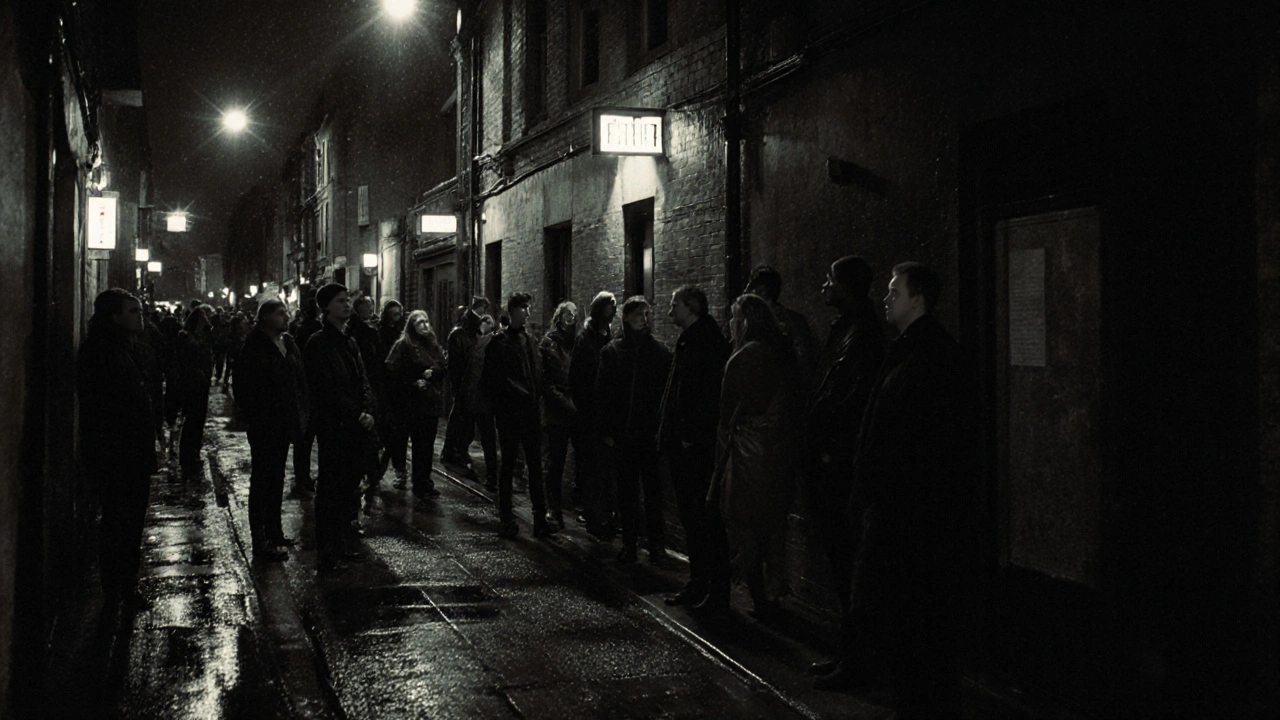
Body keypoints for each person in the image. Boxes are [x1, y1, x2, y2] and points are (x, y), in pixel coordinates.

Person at [817, 262, 976, 718]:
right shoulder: (905, 349)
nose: (886, 298)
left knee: (918, 628)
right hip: (893, 511)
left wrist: (890, 496)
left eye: (895, 291)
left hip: (912, 518)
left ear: (918, 298)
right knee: (905, 628)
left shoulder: (933, 356)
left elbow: (932, 443)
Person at [803, 256, 887, 678]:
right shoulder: (849, 331)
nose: (824, 286)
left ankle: (859, 659)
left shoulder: (863, 336)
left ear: (846, 287)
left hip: (840, 466)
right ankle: (852, 653)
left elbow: (846, 401)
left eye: (830, 280)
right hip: (832, 463)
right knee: (843, 564)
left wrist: (826, 450)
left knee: (849, 563)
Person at [712, 293, 799, 619]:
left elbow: (726, 411)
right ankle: (775, 592)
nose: (731, 324)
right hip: (779, 451)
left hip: (749, 453)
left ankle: (760, 599)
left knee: (745, 528)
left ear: (744, 321)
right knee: (772, 526)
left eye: (734, 318)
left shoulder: (744, 357)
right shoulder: (783, 352)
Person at [77, 289, 158, 611]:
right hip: (117, 452)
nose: (141, 316)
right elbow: (108, 405)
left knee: (129, 520)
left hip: (129, 451)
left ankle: (125, 584)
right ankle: (118, 589)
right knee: (119, 521)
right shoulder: (102, 352)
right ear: (114, 316)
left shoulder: (122, 348)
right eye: (133, 311)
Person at [657, 286, 733, 612]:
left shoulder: (704, 342)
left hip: (695, 449)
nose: (669, 311)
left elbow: (707, 395)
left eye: (675, 305)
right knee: (693, 519)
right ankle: (700, 583)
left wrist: (690, 435)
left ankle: (714, 592)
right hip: (685, 444)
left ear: (692, 307)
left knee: (704, 520)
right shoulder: (691, 339)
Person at [303, 283, 377, 572]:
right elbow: (326, 389)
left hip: (355, 425)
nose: (347, 305)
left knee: (349, 487)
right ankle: (328, 549)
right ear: (326, 307)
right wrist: (357, 413)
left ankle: (344, 543)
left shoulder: (350, 341)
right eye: (340, 301)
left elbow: (362, 380)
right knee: (331, 487)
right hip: (335, 425)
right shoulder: (318, 343)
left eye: (348, 300)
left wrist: (369, 409)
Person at [596, 296, 673, 564]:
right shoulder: (613, 352)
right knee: (627, 493)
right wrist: (606, 429)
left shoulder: (661, 353)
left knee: (653, 493)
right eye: (639, 314)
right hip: (624, 434)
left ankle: (656, 546)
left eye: (647, 314)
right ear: (626, 317)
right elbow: (602, 395)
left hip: (649, 434)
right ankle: (629, 544)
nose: (645, 318)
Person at [234, 299, 308, 562]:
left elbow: (298, 379)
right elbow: (243, 386)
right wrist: (257, 416)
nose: (285, 316)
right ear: (264, 318)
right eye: (279, 313)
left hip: (284, 422)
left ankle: (274, 532)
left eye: (285, 312)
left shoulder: (287, 343)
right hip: (266, 424)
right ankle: (260, 539)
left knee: (276, 479)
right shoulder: (255, 346)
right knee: (263, 481)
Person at [481, 293, 554, 539]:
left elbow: (537, 375)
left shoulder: (530, 341)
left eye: (528, 307)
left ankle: (539, 518)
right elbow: (491, 381)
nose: (528, 312)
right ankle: (507, 517)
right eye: (523, 308)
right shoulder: (499, 342)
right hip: (510, 413)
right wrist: (502, 406)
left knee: (534, 465)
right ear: (511, 311)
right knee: (509, 465)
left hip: (530, 413)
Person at [569, 292, 617, 539]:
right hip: (588, 417)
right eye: (609, 309)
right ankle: (593, 517)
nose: (613, 314)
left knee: (604, 470)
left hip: (603, 415)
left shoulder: (609, 337)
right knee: (591, 469)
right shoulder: (585, 340)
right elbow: (578, 380)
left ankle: (603, 516)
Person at [384, 310, 447, 500]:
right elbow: (392, 373)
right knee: (403, 441)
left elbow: (443, 367)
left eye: (426, 322)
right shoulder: (403, 345)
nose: (424, 326)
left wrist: (433, 373)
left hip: (429, 403)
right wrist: (413, 383)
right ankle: (400, 473)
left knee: (426, 445)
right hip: (408, 404)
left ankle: (423, 481)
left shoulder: (432, 345)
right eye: (419, 323)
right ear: (412, 325)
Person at [744, 265, 818, 392]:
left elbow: (805, 363)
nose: (745, 291)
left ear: (762, 291)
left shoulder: (785, 322)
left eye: (750, 286)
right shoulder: (793, 320)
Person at [539, 300, 579, 528]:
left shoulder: (578, 342)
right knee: (555, 462)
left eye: (574, 313)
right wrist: (565, 402)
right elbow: (546, 382)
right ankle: (553, 509)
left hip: (576, 408)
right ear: (559, 315)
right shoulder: (548, 344)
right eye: (567, 313)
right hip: (556, 412)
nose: (571, 317)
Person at [443, 296, 491, 475]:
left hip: (475, 384)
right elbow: (457, 365)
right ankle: (454, 451)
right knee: (461, 419)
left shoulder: (477, 333)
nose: (483, 314)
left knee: (467, 420)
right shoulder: (459, 335)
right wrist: (458, 388)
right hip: (464, 384)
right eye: (480, 310)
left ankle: (458, 450)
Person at [348, 294, 387, 501]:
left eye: (371, 306)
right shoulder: (357, 332)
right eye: (365, 306)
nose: (369, 309)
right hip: (363, 389)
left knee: (373, 434)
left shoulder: (373, 330)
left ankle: (372, 472)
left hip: (373, 386)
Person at [290, 290, 323, 494]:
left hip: (306, 389)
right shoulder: (315, 332)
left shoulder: (300, 329)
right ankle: (305, 477)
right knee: (309, 436)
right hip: (312, 389)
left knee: (304, 439)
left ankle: (302, 475)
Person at [175, 306, 214, 472]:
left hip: (201, 383)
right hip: (193, 385)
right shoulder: (187, 338)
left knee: (198, 420)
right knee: (192, 420)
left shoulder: (199, 337)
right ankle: (188, 456)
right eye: (204, 317)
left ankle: (193, 453)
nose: (207, 320)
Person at [466, 313, 500, 488]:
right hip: (479, 396)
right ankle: (491, 472)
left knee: (488, 437)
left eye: (486, 322)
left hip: (484, 397)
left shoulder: (489, 342)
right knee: (486, 436)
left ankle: (492, 473)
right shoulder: (478, 342)